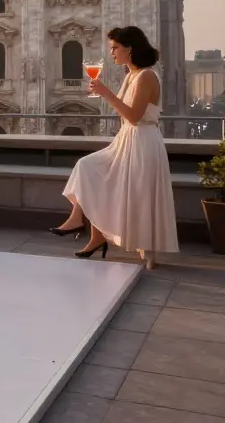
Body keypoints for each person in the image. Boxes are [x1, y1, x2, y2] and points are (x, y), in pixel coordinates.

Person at [51, 26, 179, 268]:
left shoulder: (147, 76)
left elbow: (133, 115)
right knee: (86, 167)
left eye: (115, 48)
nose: (111, 53)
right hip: (127, 139)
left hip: (142, 141)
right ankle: (91, 231)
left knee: (140, 194)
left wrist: (105, 93)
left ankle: (142, 250)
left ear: (129, 49)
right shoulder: (130, 75)